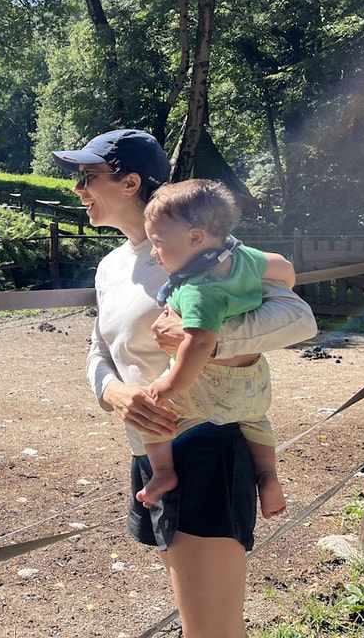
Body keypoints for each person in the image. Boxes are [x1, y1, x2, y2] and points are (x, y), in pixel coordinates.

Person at [52, 129, 316, 638]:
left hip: (210, 445)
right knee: (198, 617)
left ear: (129, 182)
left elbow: (298, 316)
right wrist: (115, 393)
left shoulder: (203, 253)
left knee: (212, 629)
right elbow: (100, 351)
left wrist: (204, 341)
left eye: (87, 177)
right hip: (154, 444)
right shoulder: (111, 267)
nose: (78, 189)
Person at [137, 179, 295, 519]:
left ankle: (163, 473)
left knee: (149, 416)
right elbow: (284, 268)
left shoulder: (198, 289)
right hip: (253, 379)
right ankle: (267, 475)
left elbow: (201, 342)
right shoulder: (242, 258)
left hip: (208, 384)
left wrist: (170, 385)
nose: (154, 252)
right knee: (256, 422)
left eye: (158, 243)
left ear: (195, 238)